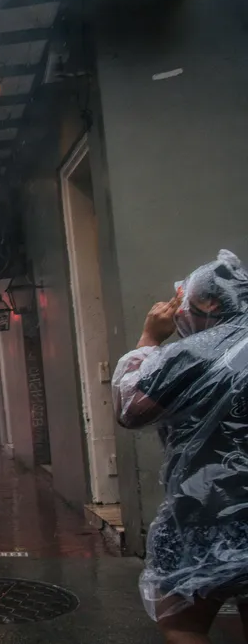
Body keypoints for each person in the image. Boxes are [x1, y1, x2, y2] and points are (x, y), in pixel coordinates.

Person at [113, 250, 248, 643]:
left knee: (181, 622)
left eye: (184, 300)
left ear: (207, 302)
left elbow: (130, 409)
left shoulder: (194, 353)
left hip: (205, 513)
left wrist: (149, 339)